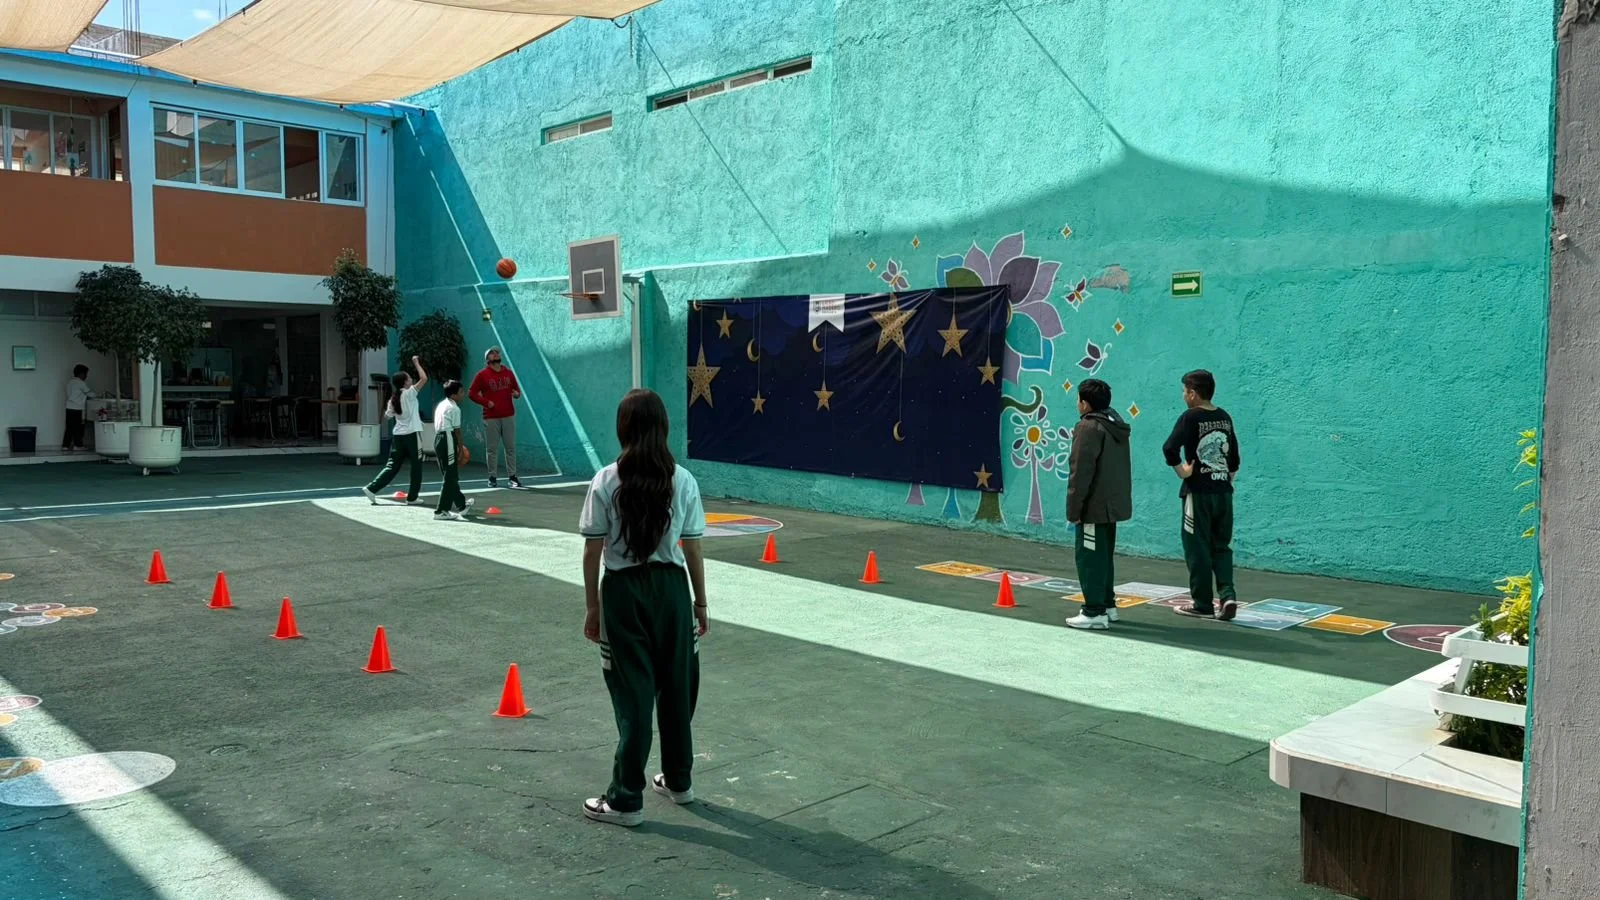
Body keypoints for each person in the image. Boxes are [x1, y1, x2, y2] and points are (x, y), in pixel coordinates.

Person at [578, 388, 709, 827]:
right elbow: (691, 548)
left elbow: (592, 552)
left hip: (624, 593)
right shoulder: (684, 480)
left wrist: (593, 608)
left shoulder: (605, 480)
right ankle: (679, 780)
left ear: (623, 428)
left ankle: (625, 799)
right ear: (663, 428)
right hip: (672, 591)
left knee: (632, 696)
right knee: (677, 687)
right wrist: (700, 602)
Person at [1162, 369, 1241, 621]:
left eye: (1185, 392)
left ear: (1193, 393)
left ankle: (1202, 603)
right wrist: (1225, 477)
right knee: (1221, 546)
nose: (1183, 396)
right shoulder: (1224, 417)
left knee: (1197, 548)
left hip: (1198, 493)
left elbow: (1169, 447)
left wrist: (1182, 471)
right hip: (1223, 493)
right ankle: (1228, 595)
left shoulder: (1190, 417)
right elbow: (1234, 459)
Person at [1064, 378, 1133, 631]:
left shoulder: (1088, 427)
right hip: (1111, 505)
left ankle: (1094, 611)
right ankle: (1107, 605)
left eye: (1079, 399)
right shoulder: (1116, 425)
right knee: (1103, 557)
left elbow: (1080, 471)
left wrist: (1074, 510)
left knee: (1089, 558)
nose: (1077, 404)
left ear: (1085, 403)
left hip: (1092, 506)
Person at [362, 356, 429, 505]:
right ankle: (412, 497)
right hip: (412, 434)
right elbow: (424, 378)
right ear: (405, 382)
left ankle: (372, 488)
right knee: (416, 466)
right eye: (409, 377)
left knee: (392, 465)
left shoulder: (393, 398)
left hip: (398, 435)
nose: (411, 379)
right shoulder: (409, 393)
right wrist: (417, 363)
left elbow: (387, 415)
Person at [468, 346, 523, 489]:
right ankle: (492, 477)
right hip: (491, 417)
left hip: (508, 415)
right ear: (488, 359)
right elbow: (472, 393)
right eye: (492, 353)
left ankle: (513, 477)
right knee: (492, 449)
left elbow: (516, 390)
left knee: (510, 447)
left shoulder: (509, 373)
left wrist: (516, 394)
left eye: (497, 353)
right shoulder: (482, 375)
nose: (496, 354)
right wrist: (487, 403)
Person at [432, 380, 475, 521]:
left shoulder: (442, 404)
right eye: (461, 392)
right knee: (450, 476)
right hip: (448, 438)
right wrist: (461, 449)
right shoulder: (455, 409)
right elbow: (457, 431)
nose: (464, 394)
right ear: (453, 394)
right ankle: (441, 511)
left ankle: (462, 505)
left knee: (449, 474)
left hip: (438, 438)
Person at [62, 364, 95, 452]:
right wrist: (98, 395)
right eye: (85, 374)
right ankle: (78, 445)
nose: (86, 376)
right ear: (81, 374)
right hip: (78, 409)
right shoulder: (81, 383)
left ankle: (65, 445)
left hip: (69, 408)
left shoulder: (70, 382)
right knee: (79, 428)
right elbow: (90, 394)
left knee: (69, 427)